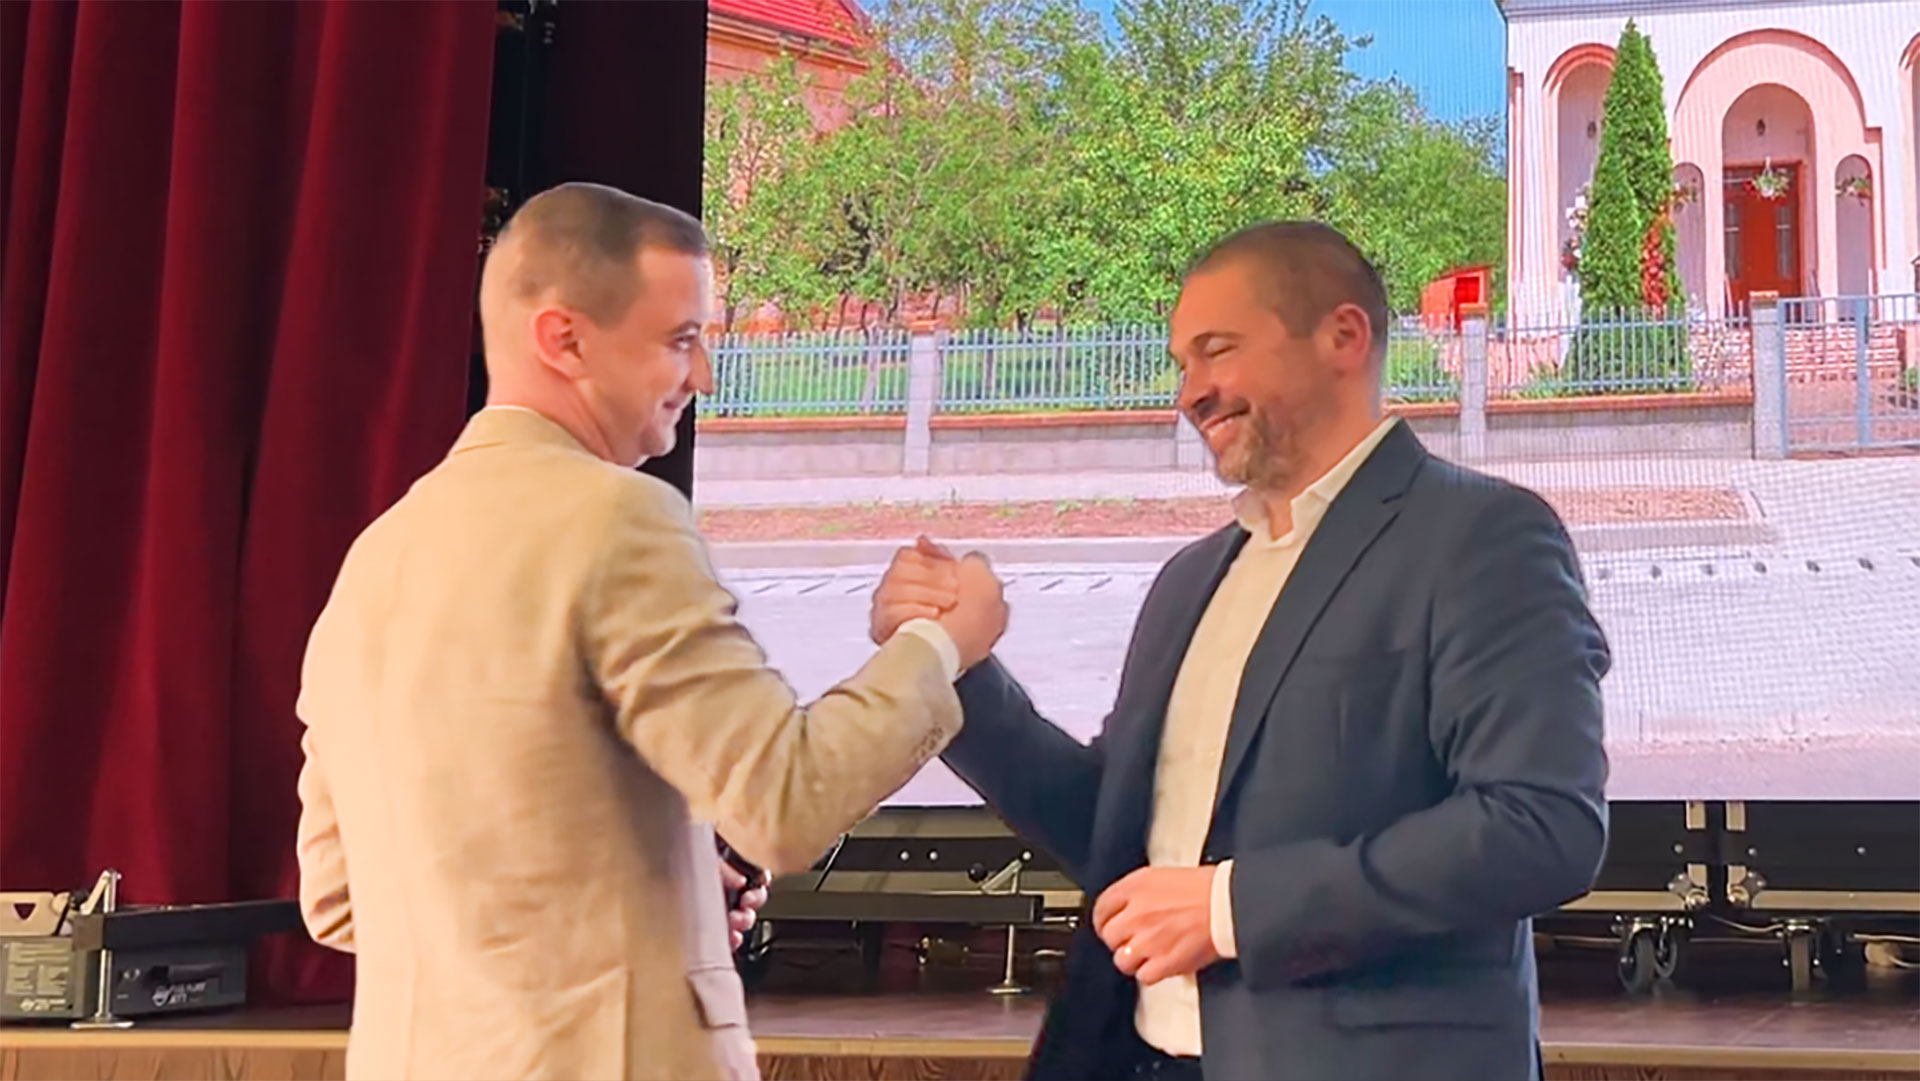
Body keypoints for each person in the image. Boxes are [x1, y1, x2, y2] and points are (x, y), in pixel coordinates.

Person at [294, 182, 1007, 1081]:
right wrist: (943, 644)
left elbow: (339, 897)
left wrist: (659, 891)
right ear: (564, 339)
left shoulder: (374, 559)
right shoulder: (615, 516)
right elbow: (784, 802)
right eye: (680, 339)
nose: (703, 375)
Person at [872, 222, 1611, 1081]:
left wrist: (1228, 909)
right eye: (1182, 364)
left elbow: (1542, 826)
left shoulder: (1483, 536)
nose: (1192, 392)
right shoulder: (1191, 580)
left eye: (1217, 351)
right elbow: (1113, 834)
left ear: (1343, 337)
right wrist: (954, 665)